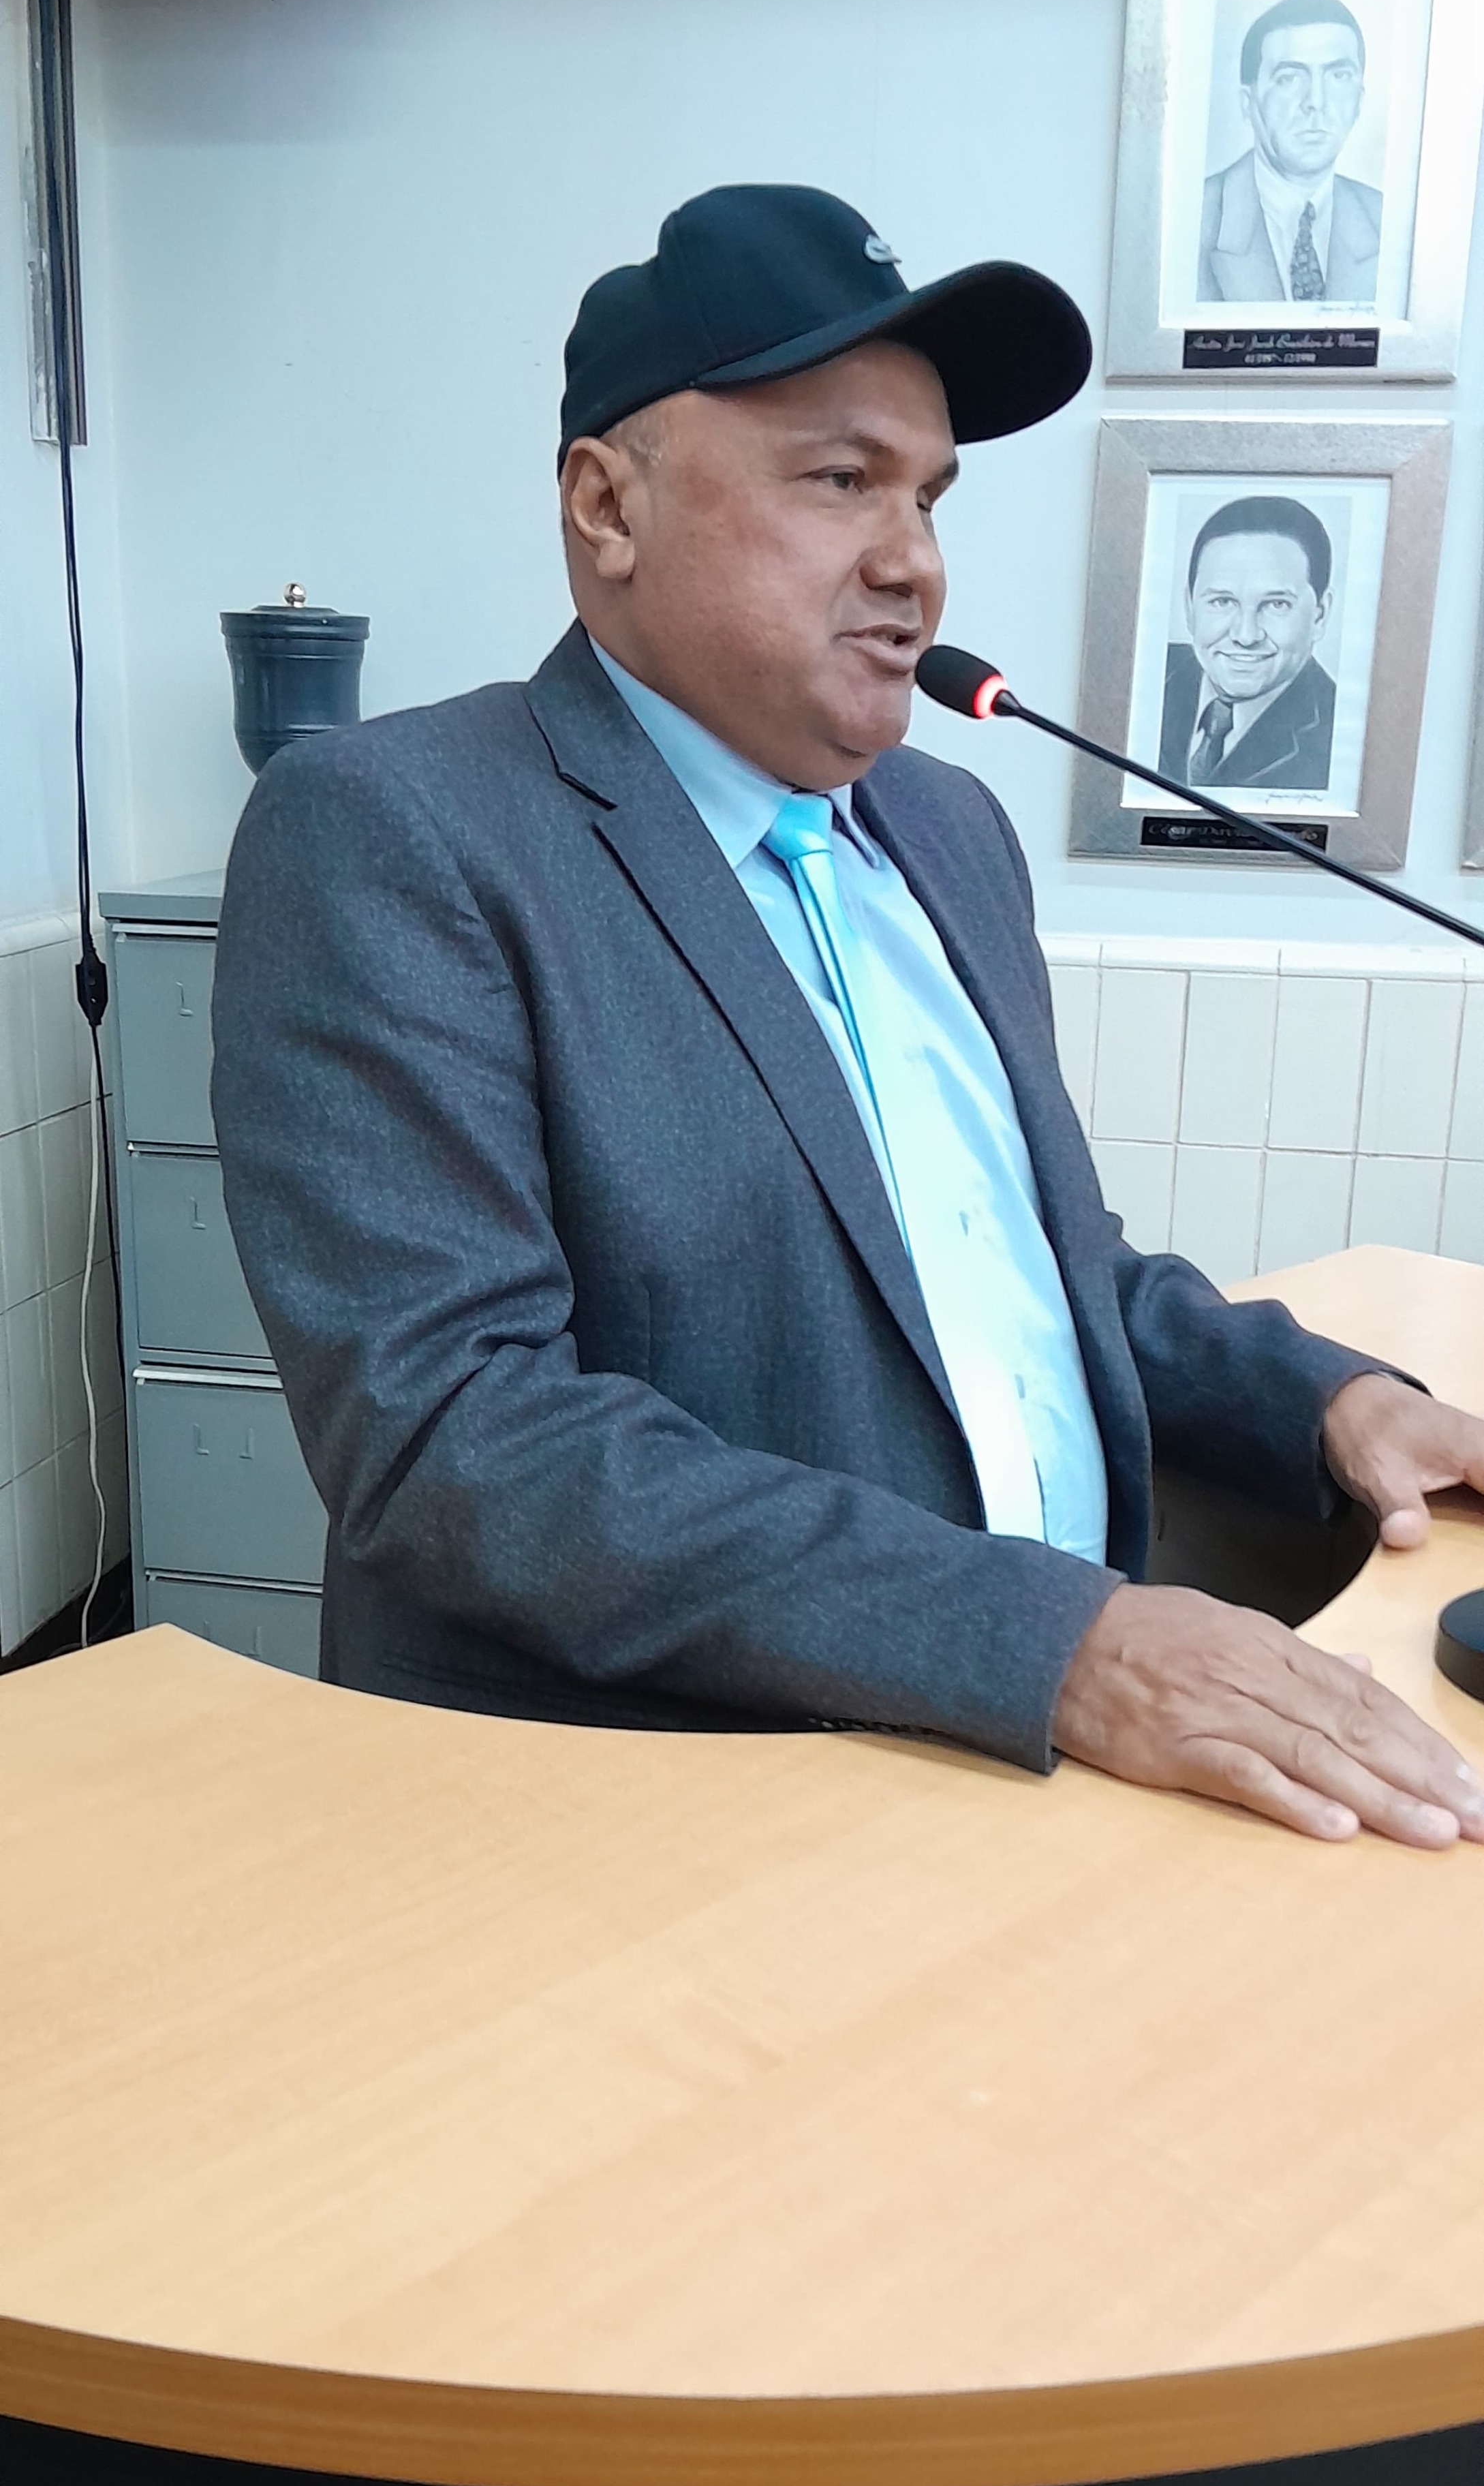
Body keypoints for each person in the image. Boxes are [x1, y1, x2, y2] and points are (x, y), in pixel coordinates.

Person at [212, 184, 1484, 1853]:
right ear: (606, 505)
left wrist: (1320, 1400)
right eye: (840, 480)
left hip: (1014, 1774)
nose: (914, 561)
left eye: (930, 495)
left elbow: (1037, 1266)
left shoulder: (950, 830)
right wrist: (1059, 1645)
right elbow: (453, 1433)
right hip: (661, 1826)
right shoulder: (397, 829)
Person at [1198, 0, 1382, 305]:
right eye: (1289, 78)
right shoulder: (1196, 219)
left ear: (1360, 102)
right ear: (1247, 103)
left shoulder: (1386, 219)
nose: (1316, 102)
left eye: (1339, 75)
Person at [1158, 493, 1335, 794]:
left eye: (1276, 604)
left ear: (1320, 615)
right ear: (1189, 607)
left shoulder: (1339, 737)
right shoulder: (1140, 678)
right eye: (1222, 601)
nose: (1246, 636)